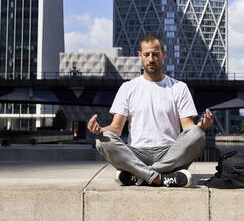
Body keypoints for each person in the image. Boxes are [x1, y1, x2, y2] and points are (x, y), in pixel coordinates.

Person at [87, 33, 214, 187]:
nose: (151, 59)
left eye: (155, 54)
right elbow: (116, 128)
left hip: (169, 153)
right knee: (102, 139)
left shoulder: (179, 87)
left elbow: (187, 126)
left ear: (164, 55)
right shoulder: (128, 88)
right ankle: (163, 178)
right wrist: (99, 129)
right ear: (140, 56)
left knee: (197, 135)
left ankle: (139, 176)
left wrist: (200, 126)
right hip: (136, 153)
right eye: (147, 54)